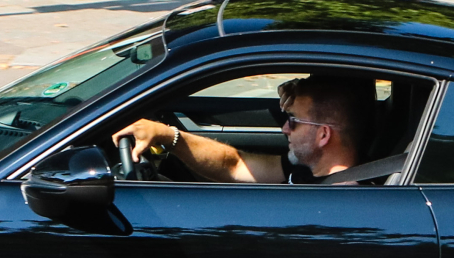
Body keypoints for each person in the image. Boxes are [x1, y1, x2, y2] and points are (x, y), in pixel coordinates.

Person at [111, 74, 401, 184]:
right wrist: (168, 136)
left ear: (324, 134)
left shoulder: (343, 199)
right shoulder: (304, 171)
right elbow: (233, 164)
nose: (285, 128)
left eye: (294, 121)